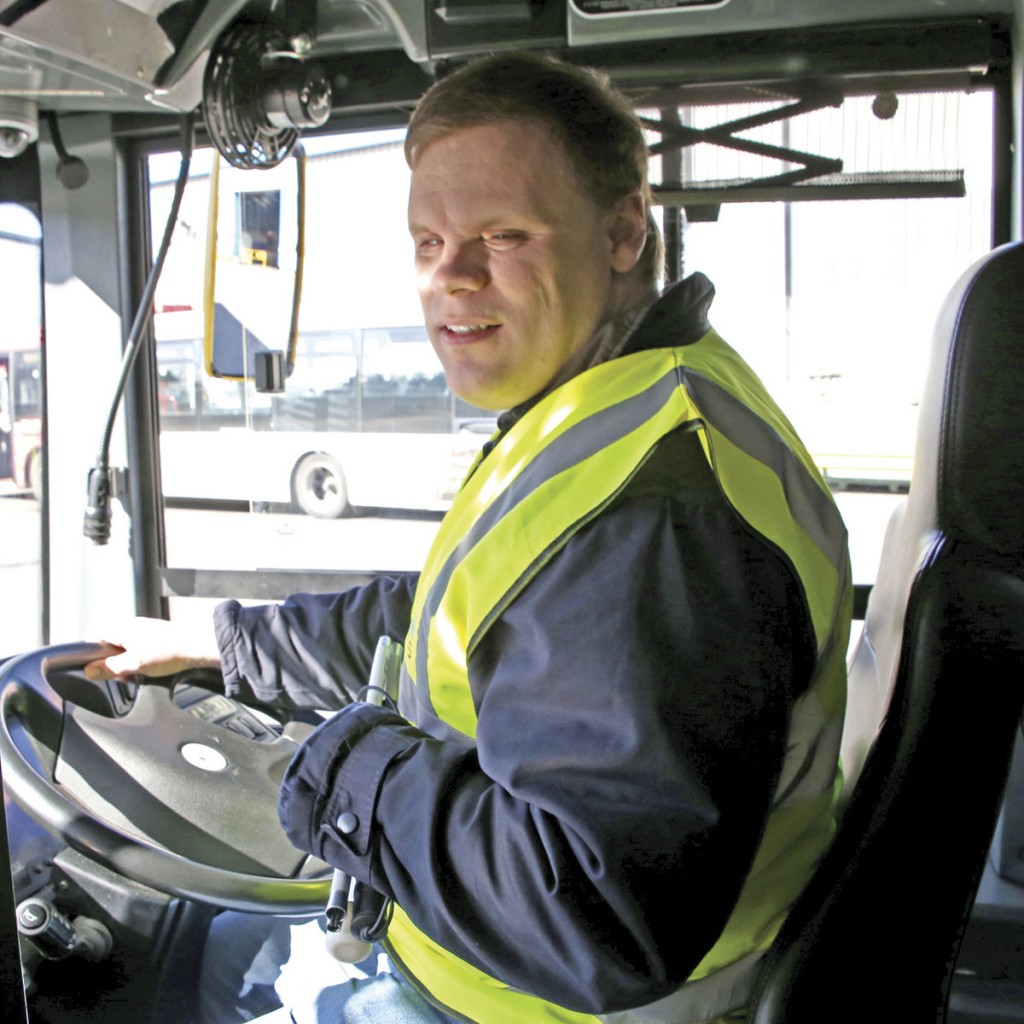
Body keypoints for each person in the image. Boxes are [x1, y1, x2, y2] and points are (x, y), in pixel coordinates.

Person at [87, 51, 852, 1024]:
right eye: (428, 240)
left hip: (517, 1004)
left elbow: (591, 913)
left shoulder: (658, 514)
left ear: (622, 233)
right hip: (463, 952)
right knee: (201, 942)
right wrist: (222, 645)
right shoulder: (607, 409)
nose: (451, 276)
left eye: (502, 234)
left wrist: (341, 767)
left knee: (151, 960)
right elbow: (450, 613)